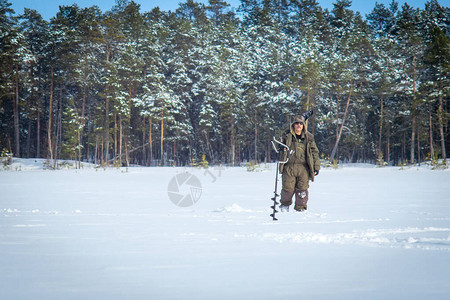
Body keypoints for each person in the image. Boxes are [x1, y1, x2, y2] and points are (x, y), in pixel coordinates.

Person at [279, 115, 320, 212]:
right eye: (296, 123)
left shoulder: (308, 138)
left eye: (301, 123)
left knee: (302, 189)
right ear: (293, 125)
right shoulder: (286, 136)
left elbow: (315, 152)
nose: (298, 125)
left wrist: (316, 167)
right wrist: (281, 148)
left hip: (304, 168)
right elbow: (278, 145)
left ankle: (300, 209)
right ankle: (284, 207)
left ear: (303, 125)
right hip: (289, 167)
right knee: (287, 188)